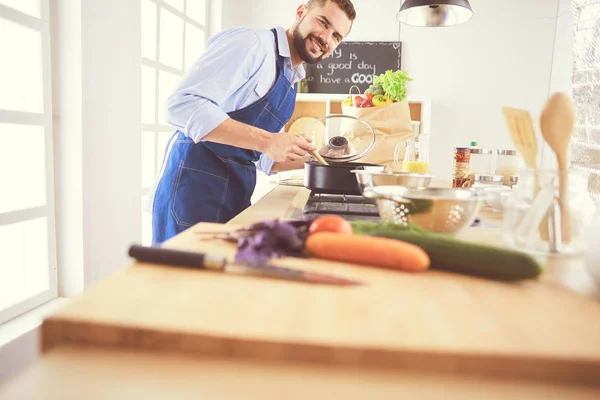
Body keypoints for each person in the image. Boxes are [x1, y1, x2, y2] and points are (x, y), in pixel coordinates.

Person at [150, 0, 356, 243]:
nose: (326, 38)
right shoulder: (252, 44)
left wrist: (316, 156)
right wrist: (268, 140)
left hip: (234, 194)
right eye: (323, 23)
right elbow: (181, 105)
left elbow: (266, 159)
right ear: (301, 12)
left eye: (336, 37)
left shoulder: (291, 81)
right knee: (180, 279)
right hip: (192, 190)